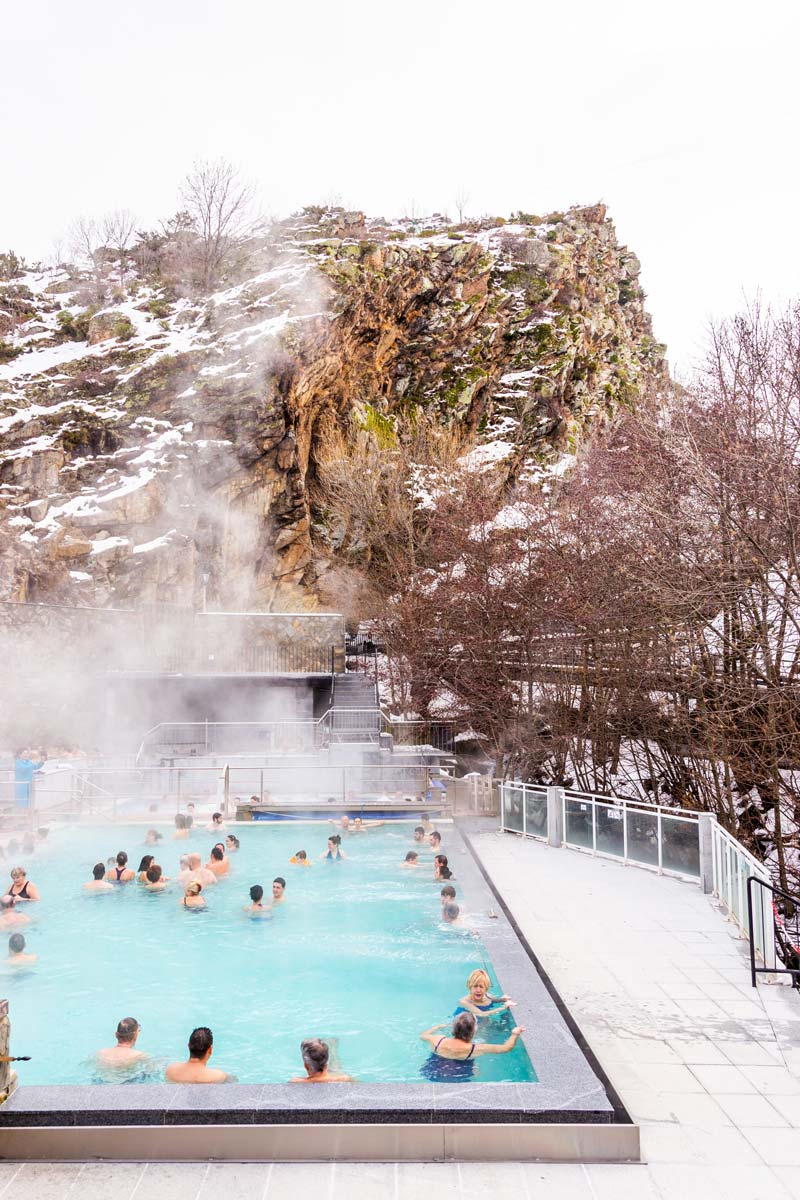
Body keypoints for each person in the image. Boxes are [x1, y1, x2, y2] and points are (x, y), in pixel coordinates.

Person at [420, 1013, 525, 1080]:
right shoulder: (476, 1048)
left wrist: (437, 1027)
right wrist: (515, 1034)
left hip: (432, 1072)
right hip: (460, 1076)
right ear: (474, 1030)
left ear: (454, 1027)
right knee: (476, 1071)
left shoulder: (438, 1039)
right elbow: (506, 1048)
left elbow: (423, 1036)